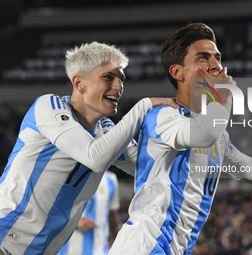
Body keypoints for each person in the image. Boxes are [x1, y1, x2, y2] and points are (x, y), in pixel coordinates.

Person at [109, 23, 252, 255]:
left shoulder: (215, 132)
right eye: (203, 58)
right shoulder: (163, 116)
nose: (215, 66)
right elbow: (205, 134)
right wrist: (225, 95)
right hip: (144, 245)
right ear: (177, 72)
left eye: (217, 58)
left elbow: (241, 164)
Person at [0, 42, 178, 255]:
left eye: (121, 79)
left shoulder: (106, 130)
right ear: (79, 83)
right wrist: (143, 106)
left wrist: (181, 131)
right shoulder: (48, 107)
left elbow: (150, 168)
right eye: (108, 77)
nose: (119, 86)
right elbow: (93, 157)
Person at [57, 171, 121, 255]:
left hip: (99, 251)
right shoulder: (65, 173)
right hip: (67, 251)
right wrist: (76, 220)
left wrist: (117, 246)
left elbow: (112, 218)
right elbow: (49, 211)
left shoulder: (111, 179)